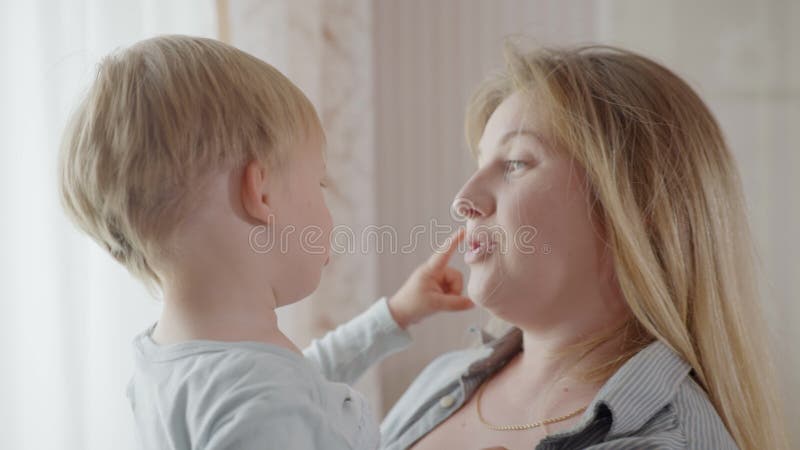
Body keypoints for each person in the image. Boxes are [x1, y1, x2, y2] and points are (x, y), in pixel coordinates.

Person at [58, 35, 473, 450]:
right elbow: (285, 394)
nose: (329, 209)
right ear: (262, 194)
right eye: (320, 182)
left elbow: (303, 378)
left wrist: (396, 314)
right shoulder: (260, 404)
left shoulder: (180, 360)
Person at [380, 44, 788, 450]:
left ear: (637, 204)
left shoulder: (665, 442)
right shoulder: (443, 381)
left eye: (516, 163)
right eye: (480, 164)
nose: (463, 200)